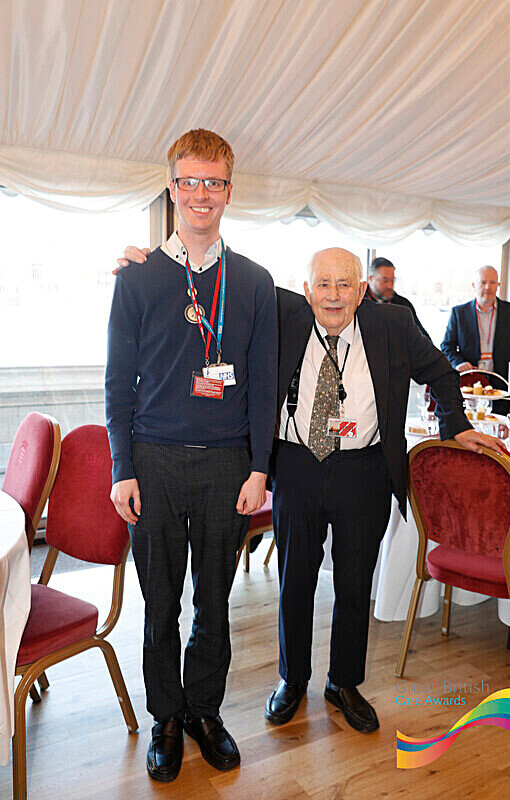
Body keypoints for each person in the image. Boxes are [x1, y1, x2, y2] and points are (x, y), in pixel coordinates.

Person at [264, 247, 505, 733]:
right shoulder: (283, 315)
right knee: (296, 581)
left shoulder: (392, 325)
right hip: (297, 466)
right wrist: (147, 266)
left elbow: (440, 369)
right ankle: (292, 680)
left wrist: (453, 424)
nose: (333, 295)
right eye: (323, 284)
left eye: (344, 284)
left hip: (364, 470)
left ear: (361, 291)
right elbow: (216, 290)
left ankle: (344, 682)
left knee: (355, 584)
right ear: (306, 288)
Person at [105, 128, 277, 783]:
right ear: (172, 189)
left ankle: (205, 712)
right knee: (161, 606)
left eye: (213, 182)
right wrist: (122, 467)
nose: (200, 194)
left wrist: (259, 466)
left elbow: (262, 382)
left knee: (211, 601)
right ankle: (166, 720)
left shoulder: (255, 282)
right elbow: (117, 380)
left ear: (229, 191)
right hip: (153, 461)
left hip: (226, 466)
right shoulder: (139, 276)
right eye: (189, 182)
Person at [441, 265, 510, 378]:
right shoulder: (459, 313)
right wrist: (458, 363)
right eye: (483, 282)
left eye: (492, 282)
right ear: (474, 285)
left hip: (502, 383)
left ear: (498, 285)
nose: (487, 287)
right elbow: (447, 346)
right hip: (470, 381)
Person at [364, 256, 431, 339]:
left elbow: (422, 338)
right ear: (371, 278)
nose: (390, 286)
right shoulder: (357, 302)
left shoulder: (403, 305)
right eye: (385, 281)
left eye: (392, 280)